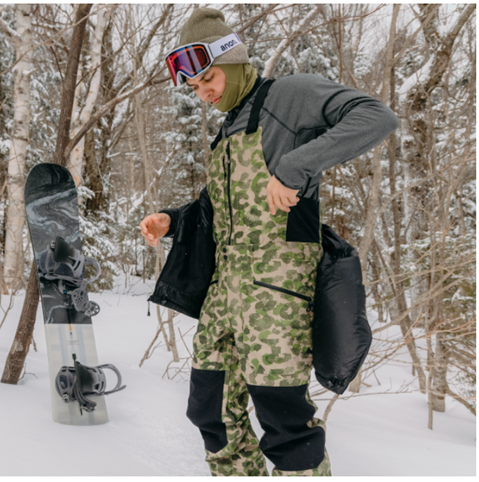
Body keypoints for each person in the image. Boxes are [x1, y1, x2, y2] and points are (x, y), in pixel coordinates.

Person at [140, 8, 398, 477]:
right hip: (225, 295)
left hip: (276, 294)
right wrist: (172, 221)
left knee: (285, 424)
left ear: (233, 59)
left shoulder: (288, 96)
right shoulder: (227, 130)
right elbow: (217, 209)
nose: (204, 93)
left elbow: (375, 116)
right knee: (210, 411)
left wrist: (296, 166)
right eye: (194, 88)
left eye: (208, 79)